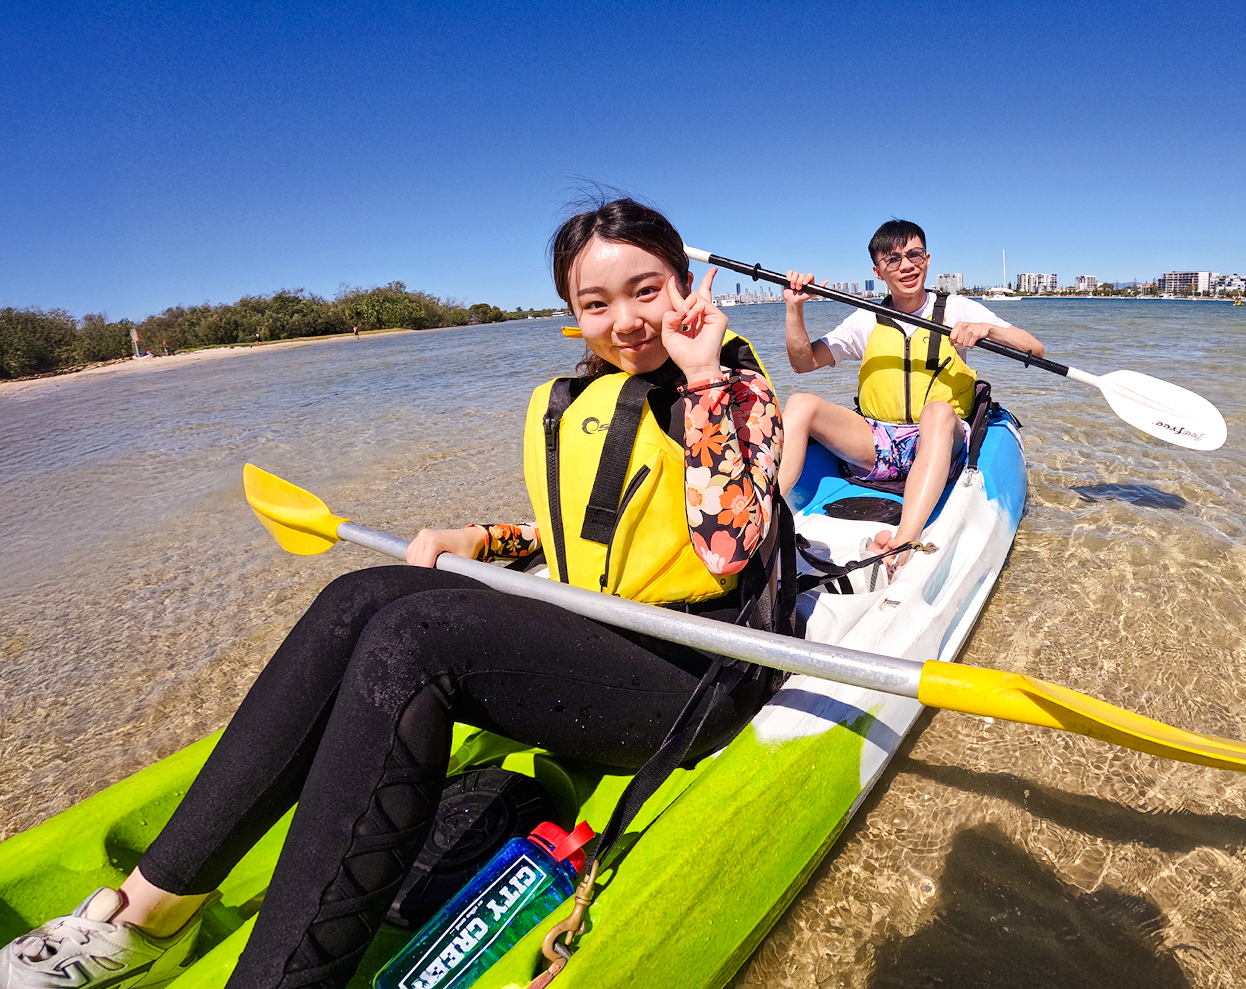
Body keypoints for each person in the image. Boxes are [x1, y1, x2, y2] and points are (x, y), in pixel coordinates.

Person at [0, 199, 784, 989]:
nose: (627, 322)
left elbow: (723, 547)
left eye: (647, 290)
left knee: (415, 643)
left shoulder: (737, 392)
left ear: (688, 285)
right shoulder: (585, 396)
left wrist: (703, 374)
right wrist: (479, 539)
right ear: (572, 316)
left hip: (695, 675)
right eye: (596, 304)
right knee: (362, 596)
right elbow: (591, 528)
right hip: (598, 640)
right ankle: (143, 913)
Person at [777, 219, 1043, 577]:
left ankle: (904, 540)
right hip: (879, 442)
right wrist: (795, 308)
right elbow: (803, 362)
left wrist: (986, 329)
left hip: (938, 441)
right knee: (800, 403)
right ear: (878, 270)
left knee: (937, 411)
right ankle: (766, 509)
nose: (906, 265)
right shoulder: (865, 319)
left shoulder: (958, 309)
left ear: (928, 259)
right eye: (893, 260)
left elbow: (1034, 348)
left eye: (914, 255)